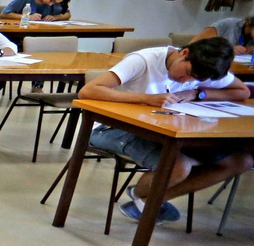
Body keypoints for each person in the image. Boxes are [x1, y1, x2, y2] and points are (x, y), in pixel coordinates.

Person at [76, 37, 252, 224]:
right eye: (187, 73)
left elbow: (242, 92)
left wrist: (197, 93)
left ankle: (147, 201)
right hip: (112, 128)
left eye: (195, 80)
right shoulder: (144, 60)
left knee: (241, 161)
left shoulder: (203, 68)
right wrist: (145, 98)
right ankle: (147, 198)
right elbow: (88, 91)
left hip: (165, 132)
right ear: (184, 53)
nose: (187, 80)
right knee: (178, 166)